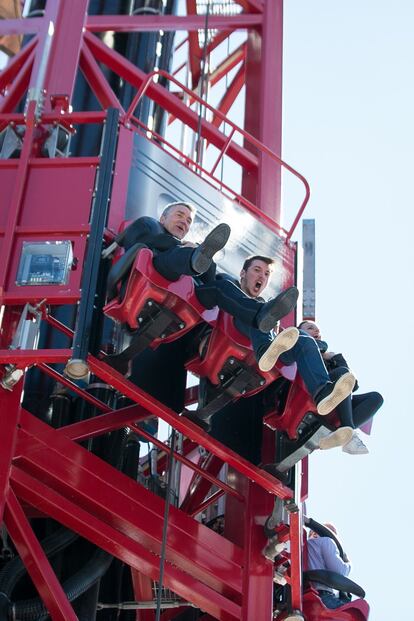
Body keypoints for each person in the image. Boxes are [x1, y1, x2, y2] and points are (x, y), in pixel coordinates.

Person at [193, 256, 356, 452]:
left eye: (267, 274)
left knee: (303, 341)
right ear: (243, 273)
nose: (262, 276)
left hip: (265, 353)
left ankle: (322, 393)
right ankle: (265, 349)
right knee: (262, 316)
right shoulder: (228, 284)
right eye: (257, 270)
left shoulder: (268, 312)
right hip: (227, 336)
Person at [105, 201, 299, 341]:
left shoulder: (182, 245)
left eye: (189, 221)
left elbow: (207, 281)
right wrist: (182, 247)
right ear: (163, 218)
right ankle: (195, 258)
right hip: (153, 273)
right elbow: (138, 241)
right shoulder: (151, 226)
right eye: (179, 215)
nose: (185, 221)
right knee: (178, 256)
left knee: (220, 286)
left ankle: (260, 314)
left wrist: (205, 259)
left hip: (183, 295)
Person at [298, 320, 383, 454]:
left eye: (318, 330)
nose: (316, 332)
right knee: (343, 376)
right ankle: (348, 434)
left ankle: (344, 432)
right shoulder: (302, 345)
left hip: (336, 399)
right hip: (314, 389)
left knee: (376, 398)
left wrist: (336, 357)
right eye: (310, 328)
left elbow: (353, 386)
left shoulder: (332, 358)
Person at [307, 523, 352, 609]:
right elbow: (340, 572)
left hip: (298, 598)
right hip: (322, 598)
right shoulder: (326, 541)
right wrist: (348, 563)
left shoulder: (298, 546)